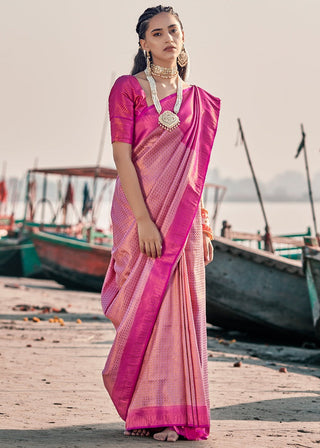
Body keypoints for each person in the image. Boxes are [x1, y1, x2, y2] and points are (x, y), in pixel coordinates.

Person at [101, 5, 220, 442]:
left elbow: (195, 172)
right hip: (140, 214)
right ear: (143, 43)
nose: (168, 38)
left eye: (174, 30)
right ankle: (144, 409)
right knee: (143, 307)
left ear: (183, 37)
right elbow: (122, 158)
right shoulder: (127, 89)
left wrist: (203, 225)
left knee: (179, 312)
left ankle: (170, 414)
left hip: (184, 219)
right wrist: (147, 222)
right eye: (157, 33)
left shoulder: (198, 101)